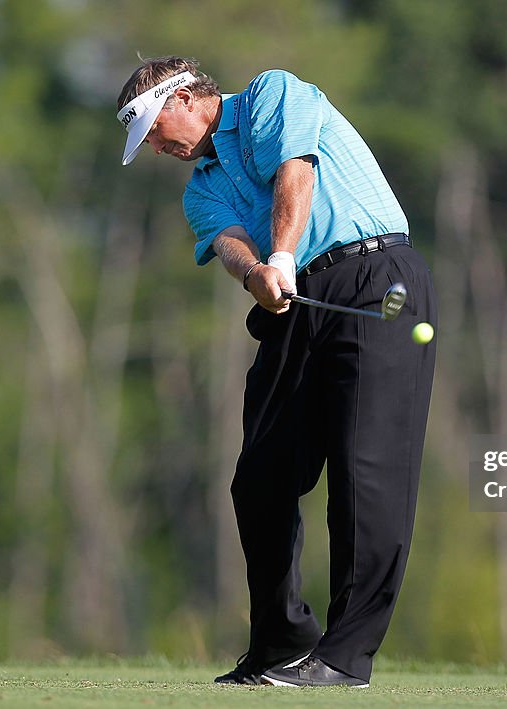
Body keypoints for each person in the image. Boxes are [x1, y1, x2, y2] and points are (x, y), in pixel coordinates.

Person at [116, 57, 436, 688]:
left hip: (373, 282)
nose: (155, 148)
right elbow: (230, 242)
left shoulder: (272, 94)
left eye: (154, 130)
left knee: (362, 473)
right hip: (294, 303)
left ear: (186, 98)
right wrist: (255, 273)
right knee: (260, 477)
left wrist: (282, 254)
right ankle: (282, 642)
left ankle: (345, 657)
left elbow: (295, 170)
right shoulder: (199, 187)